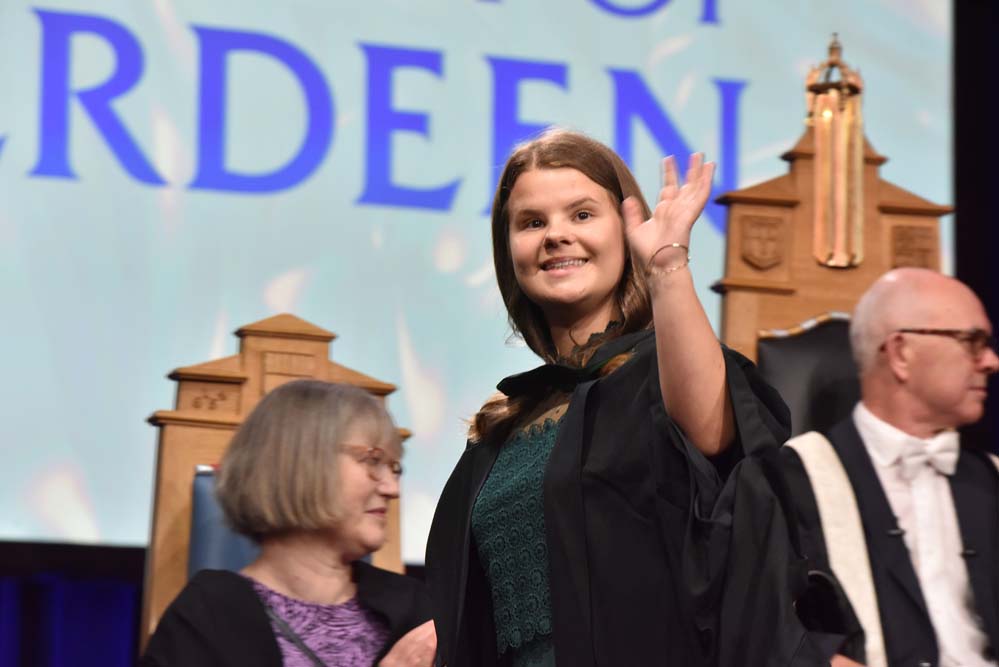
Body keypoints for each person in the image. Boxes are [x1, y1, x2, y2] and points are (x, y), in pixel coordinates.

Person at [425, 128, 832, 666]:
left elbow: (711, 434)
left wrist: (666, 265)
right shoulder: (501, 427)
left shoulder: (658, 376)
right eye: (532, 223)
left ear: (624, 231)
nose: (556, 235)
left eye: (582, 214)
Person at [782, 268, 999, 667]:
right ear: (901, 353)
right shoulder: (794, 479)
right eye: (972, 341)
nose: (991, 361)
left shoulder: (992, 477)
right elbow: (761, 627)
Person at [142, 380, 436, 667]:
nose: (392, 489)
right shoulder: (207, 616)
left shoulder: (418, 610)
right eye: (372, 461)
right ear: (300, 462)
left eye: (394, 468)